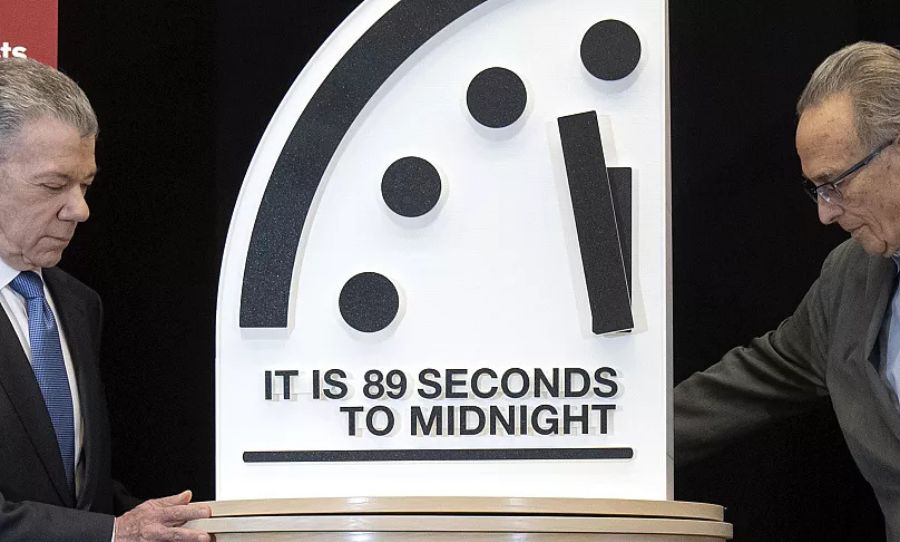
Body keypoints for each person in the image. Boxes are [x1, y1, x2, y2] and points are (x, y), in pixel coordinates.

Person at [675, 41, 900, 538]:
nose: (825, 213)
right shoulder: (849, 278)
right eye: (816, 189)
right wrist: (616, 445)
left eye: (835, 183)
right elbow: (750, 380)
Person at [0, 58, 211, 540]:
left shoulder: (78, 305)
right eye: (54, 185)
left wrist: (164, 524)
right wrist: (114, 533)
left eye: (86, 185)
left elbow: (74, 492)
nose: (80, 209)